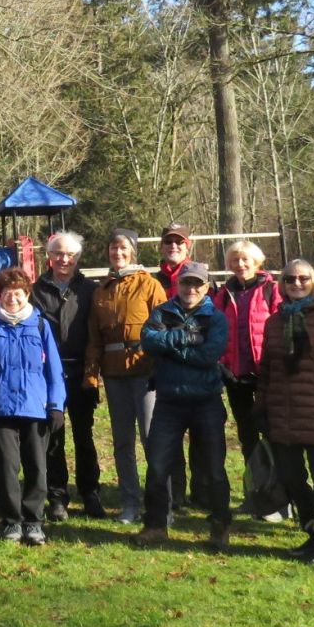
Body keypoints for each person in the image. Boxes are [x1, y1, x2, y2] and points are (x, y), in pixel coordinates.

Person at [255, 260, 314, 567]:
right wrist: (261, 406)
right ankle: (312, 531)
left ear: (313, 282)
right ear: (282, 284)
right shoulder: (274, 322)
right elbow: (266, 369)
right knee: (292, 480)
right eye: (290, 279)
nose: (296, 283)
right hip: (283, 416)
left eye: (303, 278)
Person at [133, 262, 232, 550]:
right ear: (178, 285)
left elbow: (209, 355)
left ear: (206, 287)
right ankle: (155, 525)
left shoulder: (216, 318)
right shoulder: (162, 312)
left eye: (197, 284)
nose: (191, 289)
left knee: (214, 469)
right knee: (157, 466)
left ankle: (220, 526)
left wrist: (171, 348)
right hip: (169, 402)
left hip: (206, 401)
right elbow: (148, 342)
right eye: (186, 283)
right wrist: (187, 338)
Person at [0, 267, 66, 545]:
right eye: (6, 293)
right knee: (5, 467)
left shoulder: (40, 326)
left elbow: (54, 370)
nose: (12, 298)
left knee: (36, 466)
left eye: (18, 293)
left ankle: (34, 521)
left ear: (27, 294)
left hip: (35, 407)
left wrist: (56, 405)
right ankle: (12, 521)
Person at [84, 227, 164, 524]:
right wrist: (91, 375)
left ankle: (160, 505)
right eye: (113, 248)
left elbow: (164, 328)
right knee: (122, 442)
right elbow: (94, 338)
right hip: (114, 374)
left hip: (145, 372)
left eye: (123, 248)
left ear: (132, 251)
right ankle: (130, 503)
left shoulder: (150, 285)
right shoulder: (101, 291)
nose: (117, 253)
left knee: (152, 439)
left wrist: (161, 367)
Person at [31, 230, 105, 520]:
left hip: (82, 372)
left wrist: (93, 372)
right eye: (58, 253)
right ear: (49, 256)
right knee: (53, 438)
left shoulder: (90, 289)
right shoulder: (36, 291)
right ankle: (57, 496)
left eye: (70, 254)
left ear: (78, 257)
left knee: (84, 436)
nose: (64, 259)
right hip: (49, 375)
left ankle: (90, 492)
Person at [212, 240, 282, 464]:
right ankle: (255, 479)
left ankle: (278, 481)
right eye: (235, 260)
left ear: (256, 262)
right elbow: (216, 330)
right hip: (236, 375)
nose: (240, 264)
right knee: (246, 432)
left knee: (271, 428)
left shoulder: (271, 289)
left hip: (265, 373)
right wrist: (222, 364)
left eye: (245, 259)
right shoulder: (224, 294)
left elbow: (281, 327)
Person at [153, 222, 198, 509]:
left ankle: (203, 490)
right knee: (171, 432)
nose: (173, 246)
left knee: (202, 432)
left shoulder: (200, 277)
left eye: (179, 242)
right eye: (168, 242)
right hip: (165, 365)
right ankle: (177, 492)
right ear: (161, 246)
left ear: (187, 246)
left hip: (197, 364)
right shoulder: (153, 280)